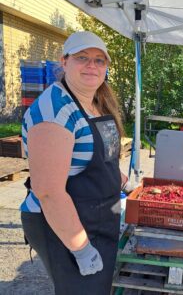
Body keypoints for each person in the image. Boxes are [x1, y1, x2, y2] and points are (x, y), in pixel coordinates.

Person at [20, 31, 132, 294]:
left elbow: (102, 155)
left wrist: (120, 179)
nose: (91, 65)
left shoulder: (96, 102)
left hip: (97, 215)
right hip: (62, 224)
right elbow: (48, 192)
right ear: (64, 62)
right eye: (82, 57)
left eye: (99, 60)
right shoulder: (54, 111)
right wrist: (80, 248)